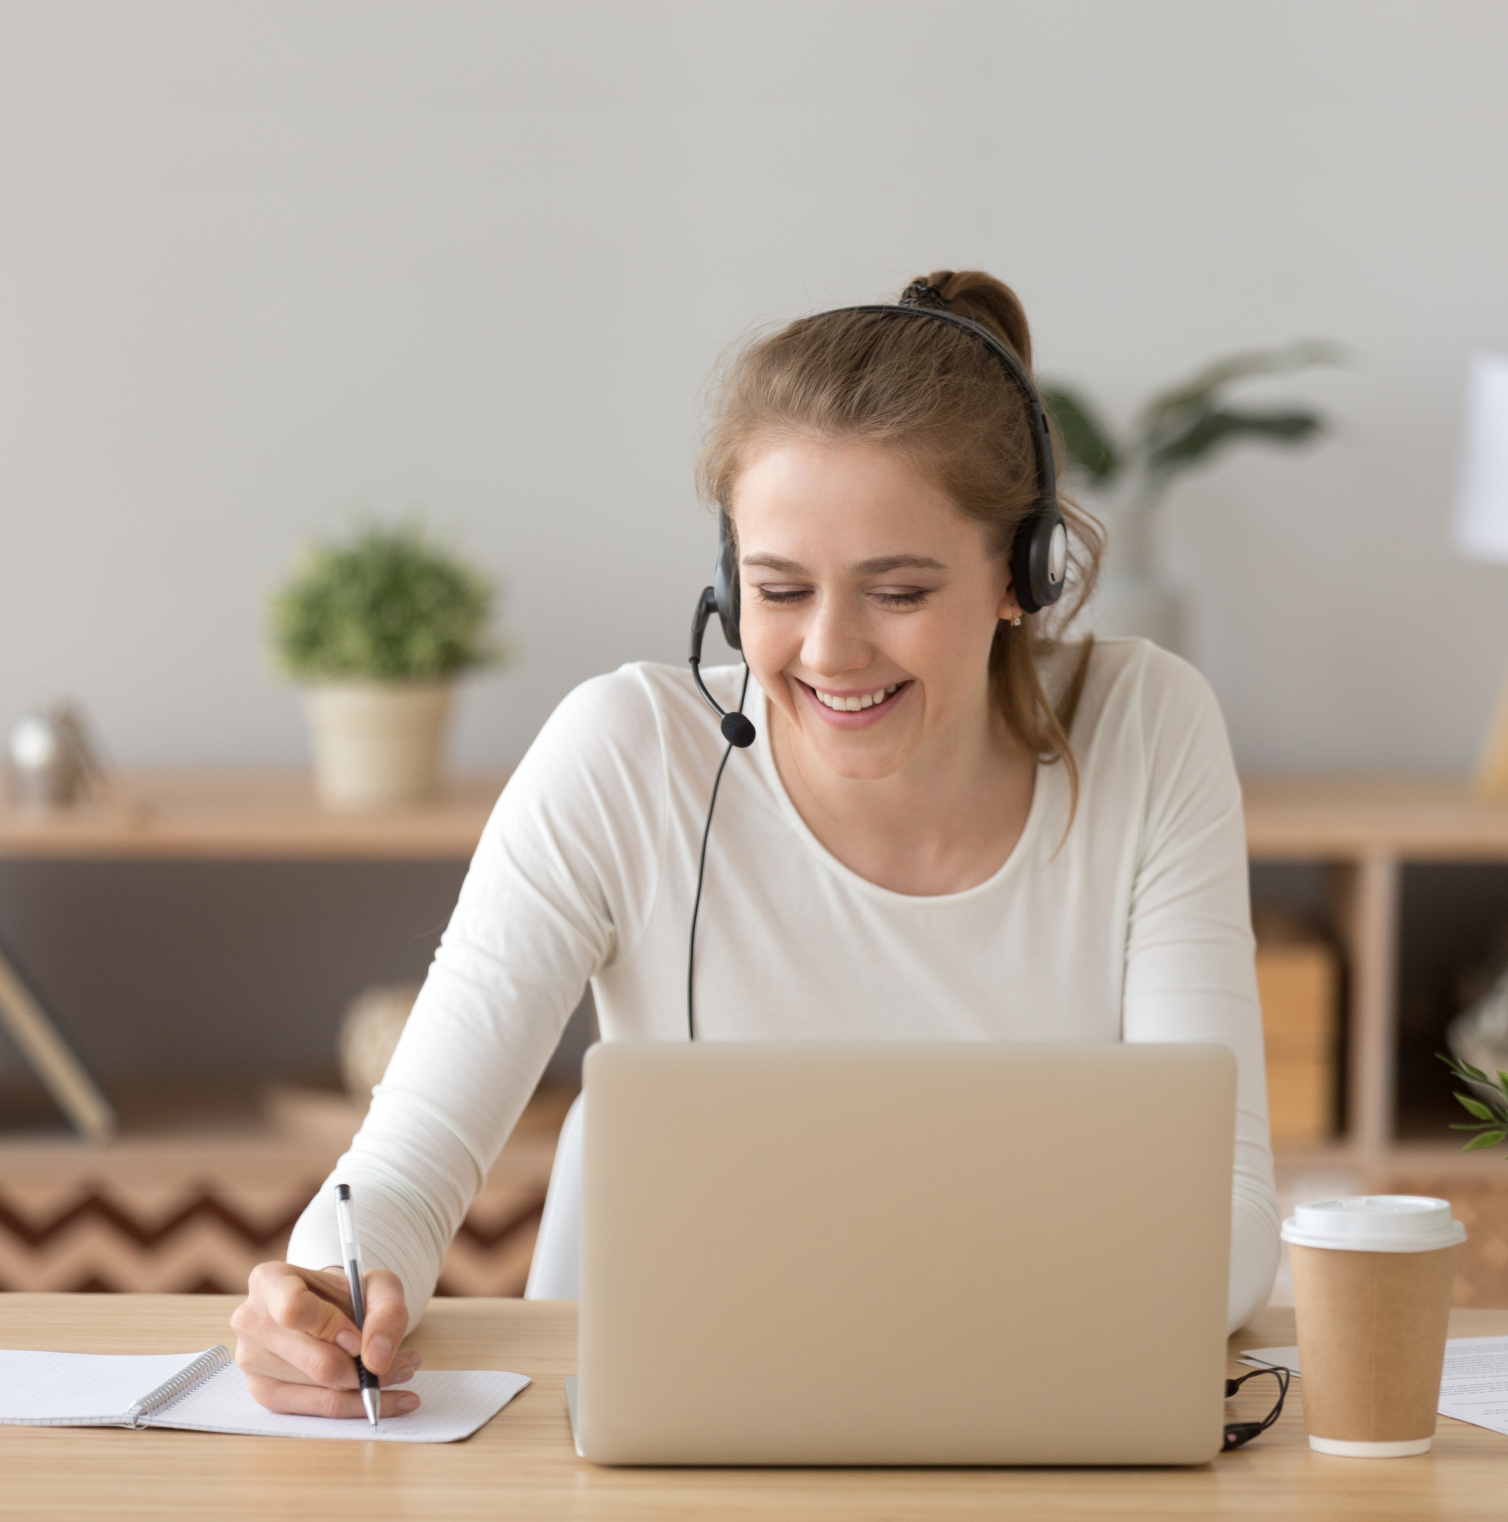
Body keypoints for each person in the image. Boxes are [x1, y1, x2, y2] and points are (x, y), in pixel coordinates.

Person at [230, 269, 1278, 1418]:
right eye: (779, 589)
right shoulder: (624, 753)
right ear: (729, 581)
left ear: (1022, 574)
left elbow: (1222, 1224)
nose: (830, 652)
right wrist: (332, 1288)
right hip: (684, 1436)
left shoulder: (1144, 731)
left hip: (1016, 1416)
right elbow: (405, 1160)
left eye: (898, 590)